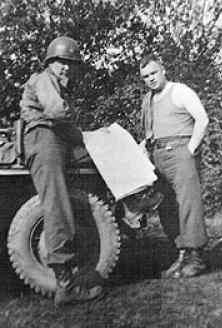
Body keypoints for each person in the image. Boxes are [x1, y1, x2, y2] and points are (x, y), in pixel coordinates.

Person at [20, 36, 103, 306]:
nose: (66, 67)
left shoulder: (55, 84)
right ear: (49, 63)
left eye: (70, 63)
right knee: (57, 208)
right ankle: (65, 287)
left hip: (53, 139)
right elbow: (56, 112)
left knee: (62, 203)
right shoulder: (44, 79)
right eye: (60, 62)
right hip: (44, 140)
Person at [140, 54, 209, 278]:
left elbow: (202, 119)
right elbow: (150, 132)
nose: (150, 79)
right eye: (145, 76)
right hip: (157, 156)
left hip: (180, 152)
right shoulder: (148, 100)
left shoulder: (179, 91)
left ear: (163, 70)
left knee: (189, 203)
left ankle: (196, 258)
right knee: (166, 206)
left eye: (153, 73)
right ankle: (181, 255)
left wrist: (190, 149)